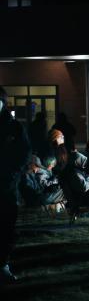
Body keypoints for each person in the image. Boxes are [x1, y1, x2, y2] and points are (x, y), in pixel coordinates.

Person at [0, 86, 31, 284]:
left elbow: (24, 153)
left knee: (6, 226)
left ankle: (3, 264)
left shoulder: (14, 127)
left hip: (6, 187)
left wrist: (12, 175)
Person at [51, 129, 89, 211]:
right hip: (81, 202)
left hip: (72, 200)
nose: (63, 138)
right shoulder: (73, 170)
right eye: (61, 137)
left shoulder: (63, 169)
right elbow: (84, 187)